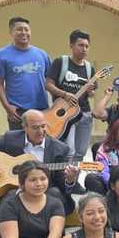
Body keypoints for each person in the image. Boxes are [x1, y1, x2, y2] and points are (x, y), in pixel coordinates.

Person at [0, 110, 80, 215]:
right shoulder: (10, 138)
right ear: (25, 127)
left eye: (43, 126)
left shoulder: (60, 149)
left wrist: (70, 180)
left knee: (54, 193)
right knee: (9, 197)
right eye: (35, 127)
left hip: (44, 191)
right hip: (15, 190)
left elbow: (62, 186)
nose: (41, 131)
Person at [46, 30, 96, 161]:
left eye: (87, 46)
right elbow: (48, 85)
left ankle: (73, 180)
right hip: (65, 113)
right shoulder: (60, 62)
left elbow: (91, 94)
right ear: (71, 45)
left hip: (84, 113)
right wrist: (65, 94)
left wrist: (90, 91)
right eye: (80, 45)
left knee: (81, 152)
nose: (84, 49)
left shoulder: (90, 68)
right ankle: (63, 177)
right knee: (67, 150)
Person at [0, 17, 51, 130]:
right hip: (17, 111)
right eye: (19, 29)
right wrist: (7, 107)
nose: (24, 32)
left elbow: (51, 82)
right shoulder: (2, 55)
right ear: (11, 32)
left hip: (41, 109)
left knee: (40, 145)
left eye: (27, 29)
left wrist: (55, 106)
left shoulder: (42, 54)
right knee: (17, 146)